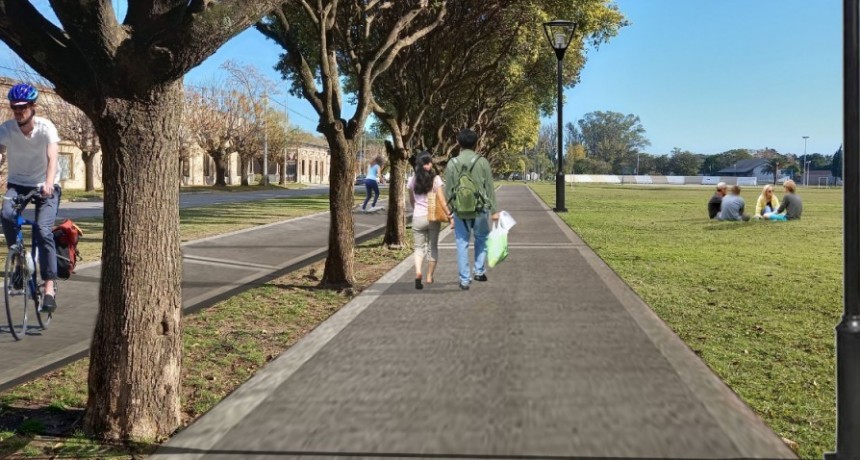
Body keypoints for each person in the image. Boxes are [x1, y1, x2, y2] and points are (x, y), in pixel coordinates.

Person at [0, 83, 61, 313]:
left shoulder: (46, 128)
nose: (18, 111)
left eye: (22, 107)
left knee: (44, 231)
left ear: (33, 106)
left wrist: (48, 183)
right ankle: (18, 262)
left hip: (46, 185)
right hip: (18, 184)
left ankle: (49, 288)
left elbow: (52, 157)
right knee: (5, 214)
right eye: (14, 107)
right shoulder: (6, 128)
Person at [444, 129, 498, 290]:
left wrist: (451, 210)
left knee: (462, 243)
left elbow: (449, 190)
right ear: (475, 143)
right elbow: (489, 188)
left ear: (458, 143)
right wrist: (494, 210)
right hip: (480, 209)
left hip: (460, 210)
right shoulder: (483, 162)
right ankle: (479, 271)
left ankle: (464, 280)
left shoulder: (452, 163)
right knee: (481, 238)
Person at [407, 152, 453, 289]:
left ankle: (418, 272)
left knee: (418, 248)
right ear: (427, 164)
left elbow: (412, 201)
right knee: (432, 247)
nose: (432, 164)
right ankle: (429, 276)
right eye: (430, 162)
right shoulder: (436, 179)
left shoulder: (411, 180)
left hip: (418, 218)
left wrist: (417, 210)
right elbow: (441, 200)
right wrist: (450, 216)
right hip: (433, 218)